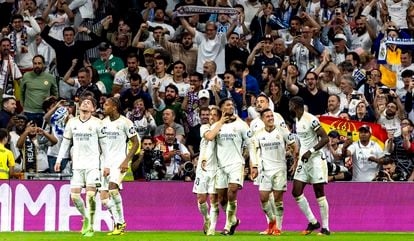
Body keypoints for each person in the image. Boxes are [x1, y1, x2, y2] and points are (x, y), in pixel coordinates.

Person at [54, 96, 108, 237]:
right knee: (75, 197)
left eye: (89, 102)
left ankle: (90, 226)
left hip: (93, 165)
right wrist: (59, 160)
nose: (85, 103)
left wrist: (106, 165)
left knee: (90, 195)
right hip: (77, 165)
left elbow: (104, 146)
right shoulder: (72, 122)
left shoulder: (98, 123)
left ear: (93, 109)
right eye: (83, 101)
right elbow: (65, 143)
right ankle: (86, 218)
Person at [205, 98, 253, 235]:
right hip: (220, 166)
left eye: (232, 104)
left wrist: (253, 164)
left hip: (236, 163)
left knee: (232, 191)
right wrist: (220, 122)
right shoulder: (216, 126)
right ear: (221, 108)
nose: (230, 106)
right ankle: (234, 220)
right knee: (222, 198)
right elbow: (209, 137)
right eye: (227, 105)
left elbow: (251, 144)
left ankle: (227, 226)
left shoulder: (241, 125)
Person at [288, 96, 330, 236]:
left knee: (319, 192)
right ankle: (313, 222)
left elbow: (325, 138)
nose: (289, 106)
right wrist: (297, 159)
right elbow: (303, 141)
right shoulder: (297, 119)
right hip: (303, 160)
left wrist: (310, 151)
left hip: (316, 159)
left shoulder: (310, 119)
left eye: (290, 104)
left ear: (295, 105)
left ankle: (325, 228)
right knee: (296, 191)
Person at [250, 108, 296, 235]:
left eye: (272, 116)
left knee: (278, 200)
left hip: (280, 169)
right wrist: (254, 166)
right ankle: (272, 222)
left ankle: (278, 228)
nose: (270, 118)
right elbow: (253, 150)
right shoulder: (258, 134)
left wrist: (295, 159)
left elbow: (293, 144)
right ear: (262, 119)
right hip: (265, 170)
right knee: (263, 198)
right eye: (267, 116)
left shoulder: (282, 130)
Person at [100, 97, 139, 235]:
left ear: (114, 107)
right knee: (104, 199)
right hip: (105, 163)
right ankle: (120, 222)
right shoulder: (102, 123)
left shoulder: (126, 122)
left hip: (119, 162)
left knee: (112, 189)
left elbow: (136, 143)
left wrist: (126, 161)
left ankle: (119, 224)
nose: (103, 107)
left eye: (106, 105)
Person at [20, 55, 58, 127]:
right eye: (35, 63)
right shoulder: (26, 76)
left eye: (39, 63)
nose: (37, 65)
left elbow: (55, 94)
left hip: (44, 113)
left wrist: (51, 106)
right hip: (29, 112)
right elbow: (21, 92)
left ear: (43, 64)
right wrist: (23, 107)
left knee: (44, 135)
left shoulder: (50, 77)